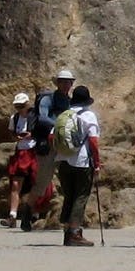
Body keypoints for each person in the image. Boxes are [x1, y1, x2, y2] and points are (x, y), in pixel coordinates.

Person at [26, 68, 75, 230]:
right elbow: (42, 117)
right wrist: (60, 125)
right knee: (42, 182)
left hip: (63, 145)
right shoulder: (48, 99)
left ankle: (67, 219)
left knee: (68, 181)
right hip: (49, 145)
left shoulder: (69, 101)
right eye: (63, 82)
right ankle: (27, 212)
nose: (66, 85)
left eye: (69, 82)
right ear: (58, 83)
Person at [55, 85, 101, 247]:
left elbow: (52, 136)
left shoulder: (64, 115)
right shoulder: (89, 116)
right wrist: (97, 163)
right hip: (81, 161)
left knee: (69, 195)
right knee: (81, 196)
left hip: (63, 160)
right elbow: (93, 141)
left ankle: (68, 231)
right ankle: (74, 233)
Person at [1, 92, 36, 227]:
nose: (20, 109)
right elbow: (11, 132)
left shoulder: (35, 116)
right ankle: (13, 215)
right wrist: (16, 137)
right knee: (16, 184)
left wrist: (31, 134)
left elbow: (42, 130)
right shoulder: (14, 118)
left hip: (34, 150)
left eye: (22, 106)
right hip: (21, 151)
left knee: (35, 183)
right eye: (17, 106)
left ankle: (33, 214)